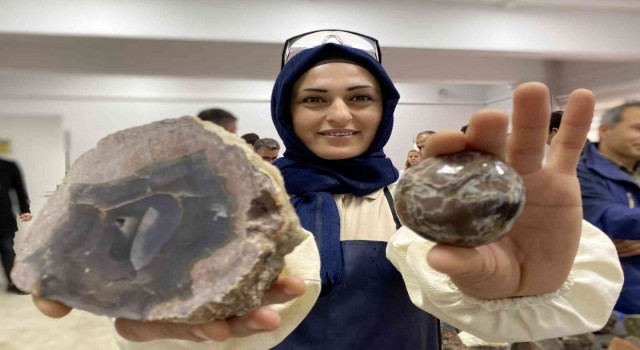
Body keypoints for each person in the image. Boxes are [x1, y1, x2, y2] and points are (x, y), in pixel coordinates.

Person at [35, 30, 622, 350]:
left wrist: (523, 294)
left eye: (360, 98)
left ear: (384, 109)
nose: (339, 115)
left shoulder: (428, 206)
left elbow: (494, 306)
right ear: (287, 111)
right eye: (314, 99)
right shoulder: (236, 207)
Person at [577, 101, 640, 315]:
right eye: (637, 128)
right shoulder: (580, 174)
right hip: (619, 298)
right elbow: (610, 218)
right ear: (605, 130)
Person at [0, 158, 33, 294]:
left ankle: (15, 283)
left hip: (3, 218)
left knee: (7, 251)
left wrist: (24, 209)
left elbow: (19, 188)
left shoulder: (8, 166)